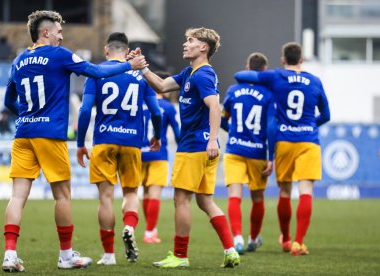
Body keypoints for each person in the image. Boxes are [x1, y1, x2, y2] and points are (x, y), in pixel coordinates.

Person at [2, 11, 146, 273]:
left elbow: (8, 101)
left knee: (17, 196)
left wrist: (26, 117)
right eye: (58, 31)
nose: (62, 35)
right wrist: (129, 66)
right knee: (63, 196)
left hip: (23, 135)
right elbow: (94, 71)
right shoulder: (60, 54)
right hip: (50, 135)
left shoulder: (19, 60)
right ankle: (66, 256)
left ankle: (10, 254)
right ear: (45, 32)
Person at [138, 27, 240, 268]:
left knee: (181, 200)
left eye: (191, 41)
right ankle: (230, 249)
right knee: (205, 201)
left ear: (203, 47)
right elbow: (161, 86)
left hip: (196, 145)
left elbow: (215, 106)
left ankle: (180, 256)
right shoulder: (190, 72)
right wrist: (142, 68)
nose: (185, 44)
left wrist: (214, 139)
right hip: (202, 147)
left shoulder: (202, 75)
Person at [234, 42, 331, 256]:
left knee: (285, 191)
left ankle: (286, 240)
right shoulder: (315, 81)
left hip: (284, 141)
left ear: (283, 59)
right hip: (308, 141)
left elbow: (240, 75)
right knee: (306, 191)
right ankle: (298, 242)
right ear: (302, 59)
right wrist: (310, 124)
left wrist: (265, 76)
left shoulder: (276, 76)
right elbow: (326, 115)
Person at [76, 32, 162, 265]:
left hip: (104, 141)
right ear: (127, 52)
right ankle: (129, 227)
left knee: (105, 197)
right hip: (133, 143)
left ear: (106, 50)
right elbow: (156, 111)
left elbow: (84, 111)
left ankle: (109, 255)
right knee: (131, 193)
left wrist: (80, 143)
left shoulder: (95, 72)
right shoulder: (140, 76)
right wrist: (158, 135)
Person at [221, 52, 276, 254]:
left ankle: (237, 239)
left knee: (234, 195)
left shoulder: (233, 90)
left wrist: (233, 132)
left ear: (247, 68)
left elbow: (222, 119)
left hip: (234, 149)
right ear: (264, 71)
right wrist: (271, 157)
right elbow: (271, 127)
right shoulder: (269, 94)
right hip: (257, 152)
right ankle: (253, 239)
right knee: (257, 198)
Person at [141, 71, 180, 244]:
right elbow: (178, 134)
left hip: (138, 152)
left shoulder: (140, 103)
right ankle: (150, 232)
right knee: (155, 193)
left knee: (145, 193)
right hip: (158, 153)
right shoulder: (168, 107)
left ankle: (149, 229)